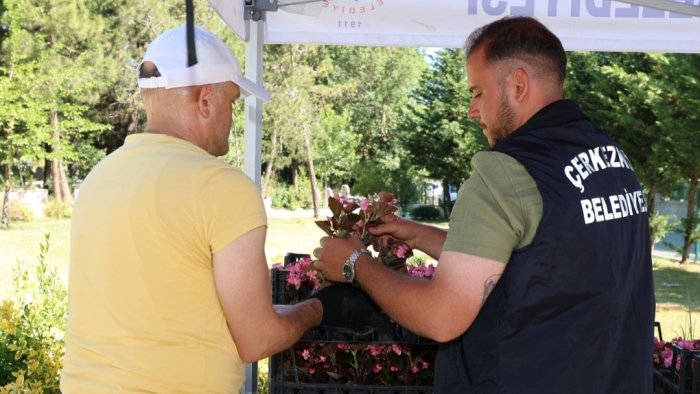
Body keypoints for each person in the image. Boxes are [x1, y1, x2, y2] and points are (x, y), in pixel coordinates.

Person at [313, 16, 654, 393]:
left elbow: (441, 316)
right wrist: (417, 233)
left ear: (518, 85)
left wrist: (355, 263)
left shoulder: (506, 170)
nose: (472, 111)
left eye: (478, 93)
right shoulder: (609, 155)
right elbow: (540, 261)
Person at [60, 24, 375, 394]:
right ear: (206, 100)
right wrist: (321, 308)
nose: (231, 115)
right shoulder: (220, 186)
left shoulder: (100, 176)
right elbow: (257, 339)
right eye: (231, 101)